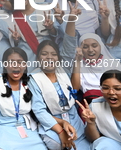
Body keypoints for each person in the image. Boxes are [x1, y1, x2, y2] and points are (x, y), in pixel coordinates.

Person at [28, 8, 90, 150]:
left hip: (73, 118)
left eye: (53, 54)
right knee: (56, 144)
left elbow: (69, 43)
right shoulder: (34, 78)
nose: (49, 57)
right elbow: (40, 111)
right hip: (53, 122)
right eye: (44, 54)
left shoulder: (63, 70)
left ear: (58, 58)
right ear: (38, 58)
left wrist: (72, 18)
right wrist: (61, 129)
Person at [0, 47, 47, 150]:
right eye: (11, 62)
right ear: (5, 65)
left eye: (20, 62)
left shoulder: (30, 82)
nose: (16, 66)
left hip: (26, 129)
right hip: (1, 129)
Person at [78, 69, 121, 149]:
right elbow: (93, 138)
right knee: (102, 143)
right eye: (105, 88)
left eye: (117, 89)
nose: (111, 92)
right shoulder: (96, 106)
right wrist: (91, 123)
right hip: (114, 145)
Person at [71, 33, 116, 104]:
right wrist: (77, 60)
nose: (90, 50)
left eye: (94, 46)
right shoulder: (78, 64)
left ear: (100, 47)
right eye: (85, 47)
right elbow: (75, 88)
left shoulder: (113, 64)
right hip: (90, 103)